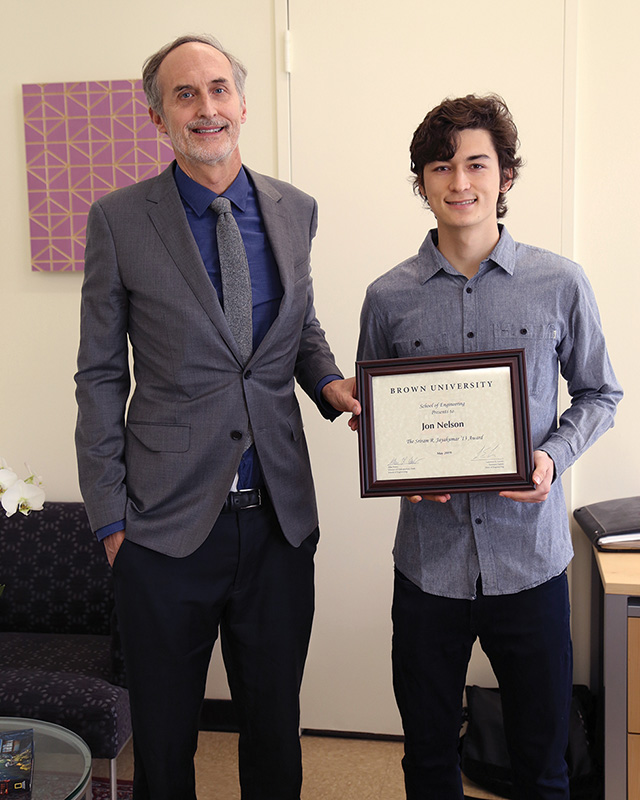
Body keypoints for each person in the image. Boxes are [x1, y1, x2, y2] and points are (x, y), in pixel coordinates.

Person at [74, 33, 358, 800]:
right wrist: (111, 524)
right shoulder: (119, 220)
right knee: (165, 746)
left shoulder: (295, 211)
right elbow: (99, 375)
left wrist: (332, 386)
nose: (206, 108)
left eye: (218, 89)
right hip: (162, 529)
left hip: (277, 523)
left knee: (274, 729)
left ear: (241, 100)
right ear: (157, 116)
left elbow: (297, 327)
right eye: (184, 95)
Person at [354, 94, 621, 799]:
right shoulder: (388, 298)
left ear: (505, 175)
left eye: (477, 163)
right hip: (427, 570)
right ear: (423, 184)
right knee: (428, 761)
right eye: (441, 167)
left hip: (530, 564)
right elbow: (375, 418)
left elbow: (601, 395)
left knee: (544, 764)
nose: (460, 182)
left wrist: (553, 457)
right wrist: (399, 469)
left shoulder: (559, 282)